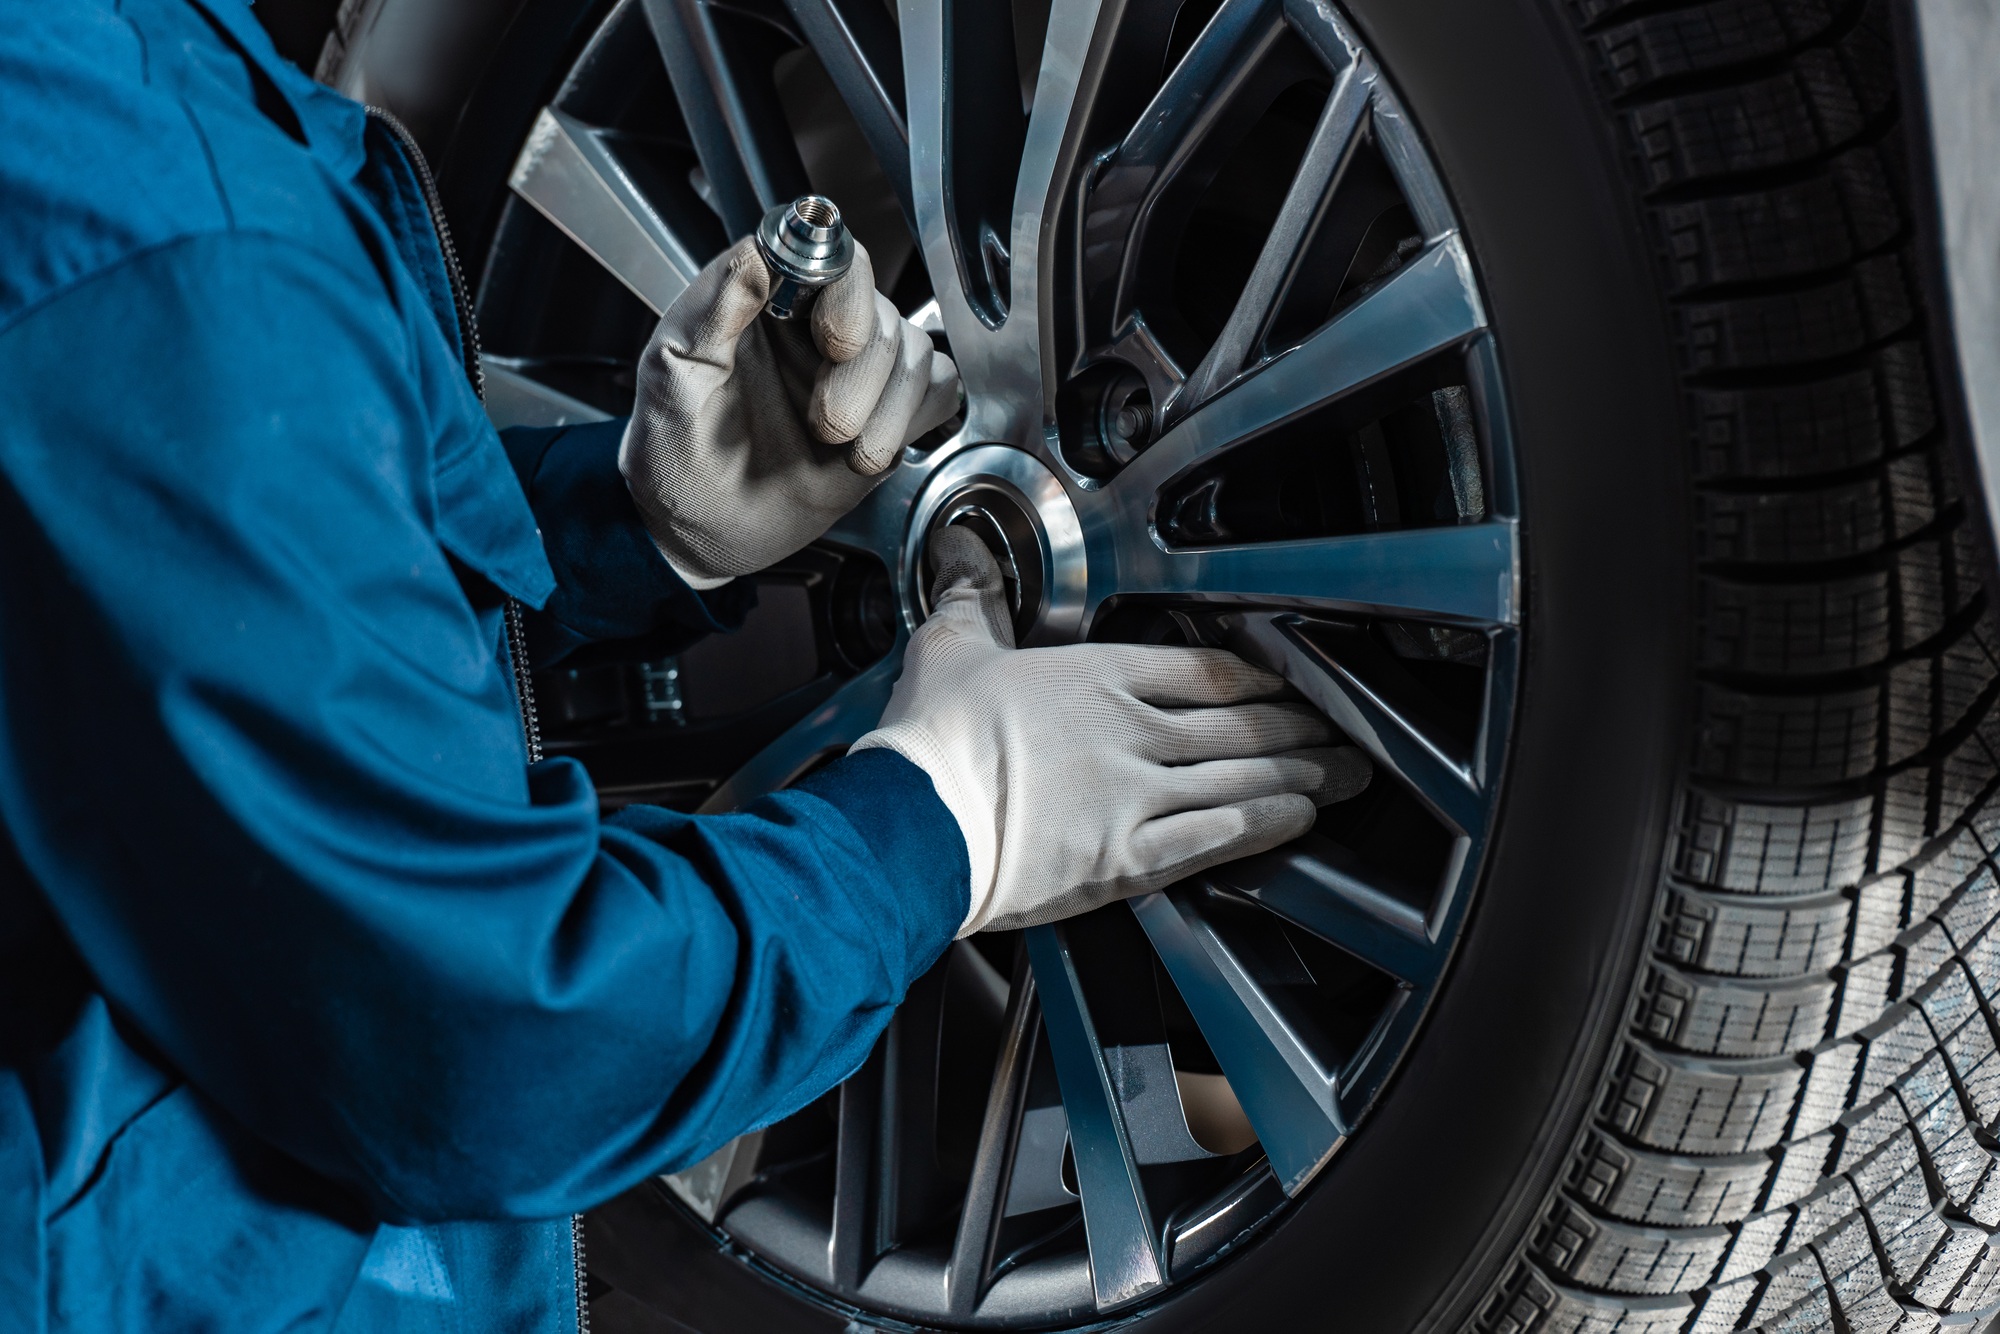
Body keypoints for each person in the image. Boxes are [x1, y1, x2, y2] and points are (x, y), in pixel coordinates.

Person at [0, 1, 1366, 1330]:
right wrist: (940, 825)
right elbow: (481, 1037)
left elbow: (145, 658)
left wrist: (629, 529)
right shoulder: (174, 222)